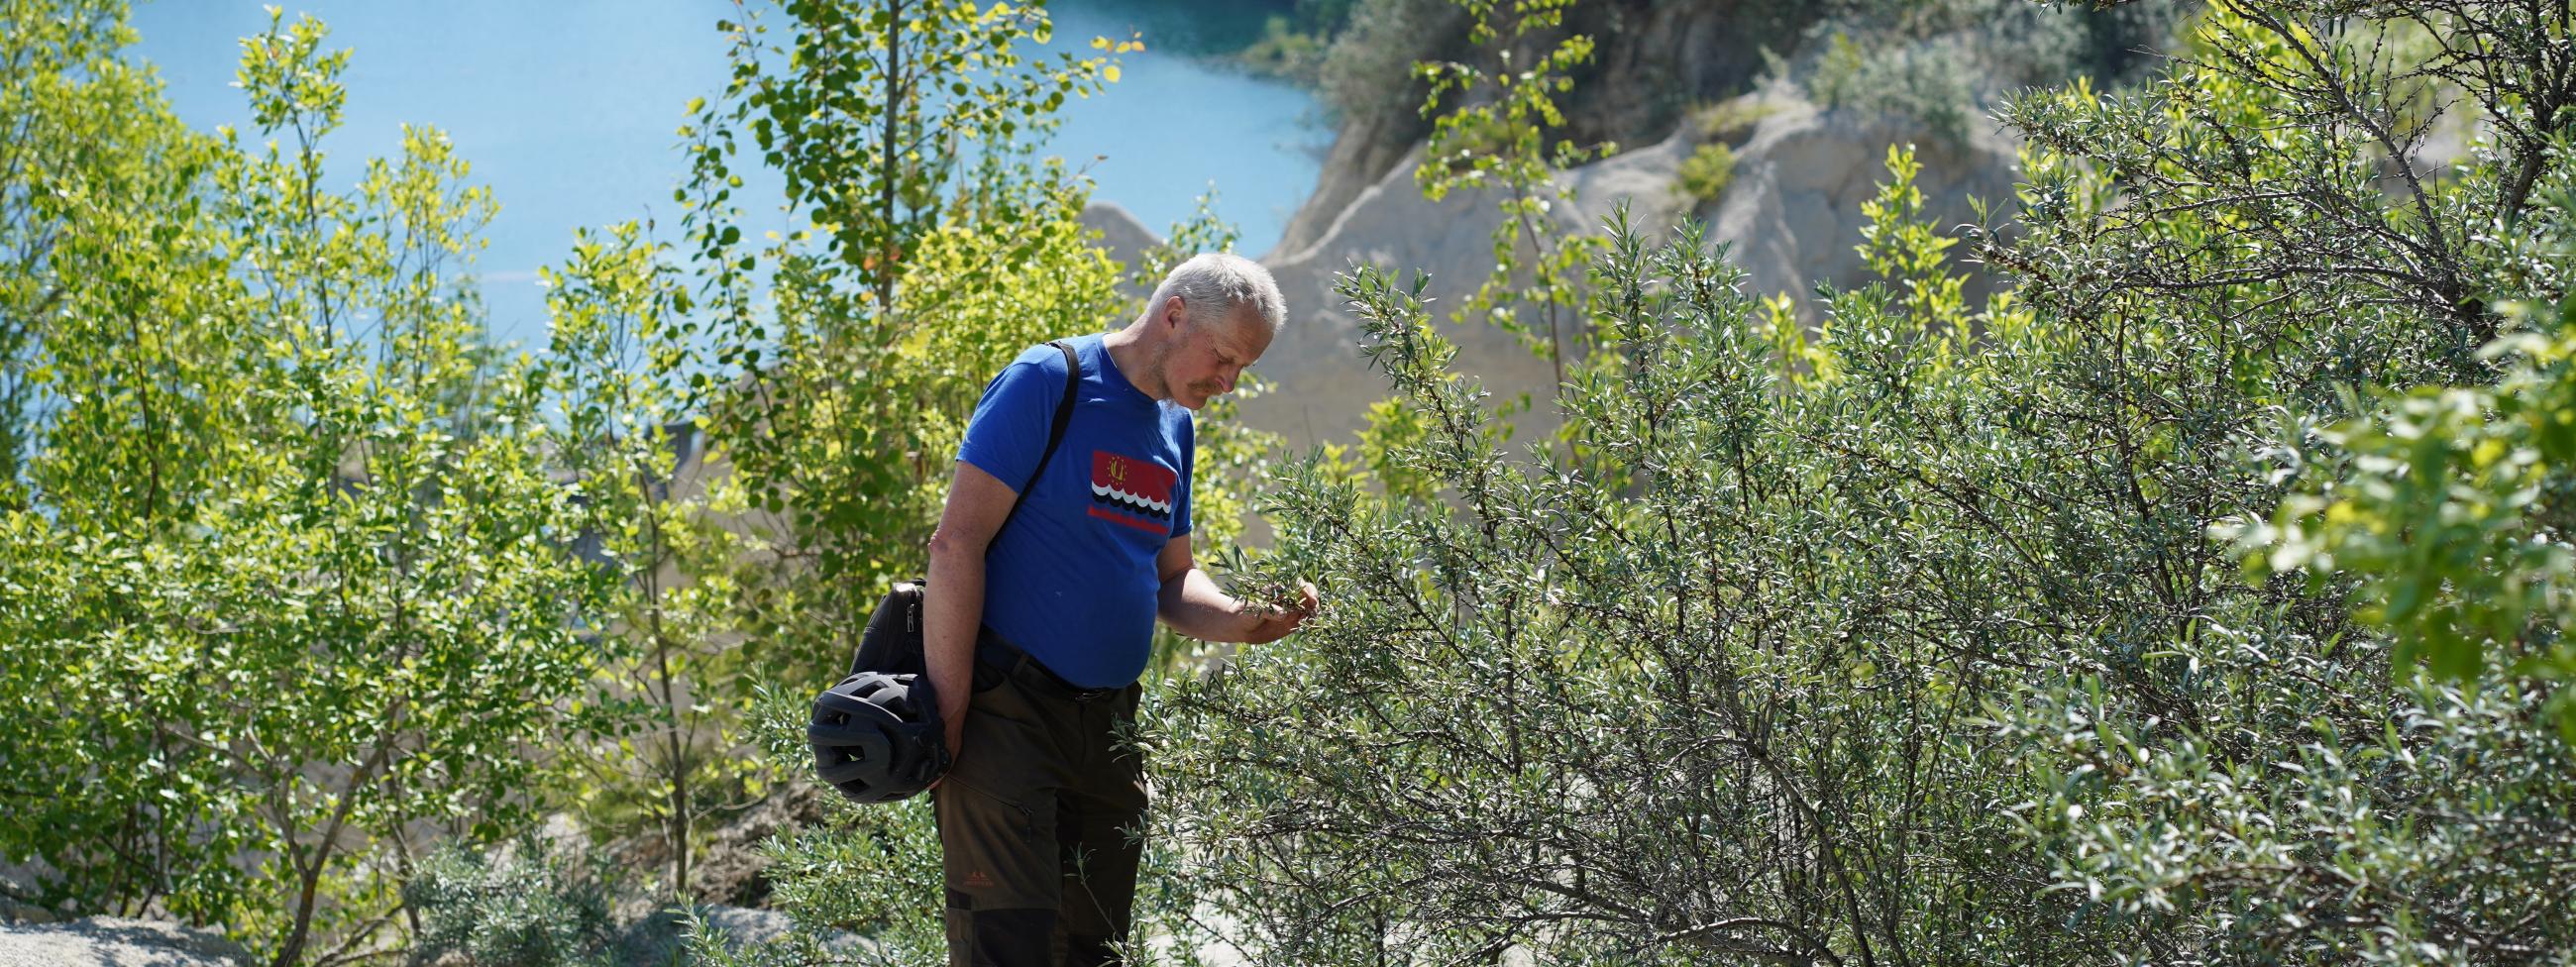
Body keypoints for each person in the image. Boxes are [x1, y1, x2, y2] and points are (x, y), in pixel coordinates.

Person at [922, 252, 1321, 967]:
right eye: (1224, 357)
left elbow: (1173, 580)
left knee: (1095, 949)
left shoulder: (1177, 428)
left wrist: (1240, 617)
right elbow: (956, 546)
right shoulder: (1051, 383)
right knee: (1007, 948)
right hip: (1004, 712)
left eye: (1243, 371)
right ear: (1174, 314)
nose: (1229, 383)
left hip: (1107, 729)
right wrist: (949, 719)